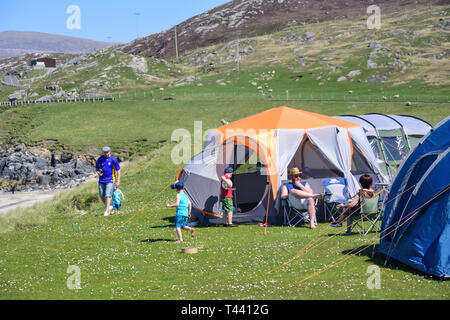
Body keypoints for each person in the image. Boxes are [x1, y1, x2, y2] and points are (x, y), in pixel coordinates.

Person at [96, 146, 121, 216]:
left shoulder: (113, 159)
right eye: (105, 152)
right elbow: (97, 167)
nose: (106, 153)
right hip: (101, 180)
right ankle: (109, 206)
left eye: (107, 152)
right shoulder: (100, 159)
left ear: (110, 152)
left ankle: (106, 211)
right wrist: (98, 172)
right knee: (101, 195)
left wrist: (118, 181)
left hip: (110, 179)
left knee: (108, 195)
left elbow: (118, 170)